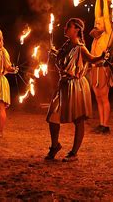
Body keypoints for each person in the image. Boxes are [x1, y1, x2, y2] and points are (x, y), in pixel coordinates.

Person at [46, 18, 109, 162]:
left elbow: (92, 59)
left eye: (69, 26)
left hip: (77, 86)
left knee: (78, 119)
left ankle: (74, 153)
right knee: (53, 117)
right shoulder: (66, 45)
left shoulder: (80, 48)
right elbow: (64, 62)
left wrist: (102, 57)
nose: (65, 28)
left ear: (77, 30)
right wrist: (55, 53)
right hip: (63, 85)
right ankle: (55, 146)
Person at [88, 0, 113, 134]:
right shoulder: (96, 37)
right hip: (94, 69)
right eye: (96, 23)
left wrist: (105, 0)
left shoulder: (107, 35)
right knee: (98, 98)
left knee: (104, 97)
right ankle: (101, 123)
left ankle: (106, 124)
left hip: (102, 69)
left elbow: (105, 16)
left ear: (105, 25)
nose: (97, 23)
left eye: (99, 23)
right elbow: (97, 15)